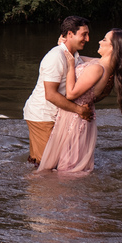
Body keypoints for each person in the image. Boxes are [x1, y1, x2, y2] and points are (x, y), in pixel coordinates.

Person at [36, 28, 122, 174]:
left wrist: (70, 67)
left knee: (66, 167)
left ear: (113, 47)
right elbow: (79, 58)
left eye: (104, 40)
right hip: (83, 118)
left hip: (74, 118)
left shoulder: (97, 68)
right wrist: (65, 46)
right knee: (71, 163)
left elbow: (70, 94)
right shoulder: (105, 66)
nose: (99, 41)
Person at [23, 16, 94, 164]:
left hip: (56, 115)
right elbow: (50, 95)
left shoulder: (73, 56)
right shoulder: (55, 56)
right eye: (84, 34)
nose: (87, 39)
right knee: (46, 166)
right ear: (69, 34)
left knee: (56, 163)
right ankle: (30, 186)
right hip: (42, 116)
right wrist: (79, 110)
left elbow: (98, 64)